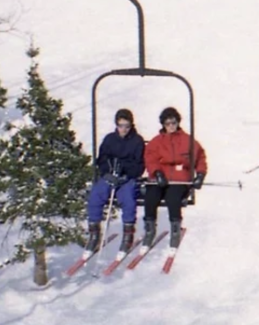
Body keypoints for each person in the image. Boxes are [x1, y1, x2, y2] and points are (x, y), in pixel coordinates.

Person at [142, 106, 208, 248]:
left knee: (173, 198)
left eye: (173, 123)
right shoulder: (157, 142)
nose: (171, 126)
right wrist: (157, 173)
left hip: (179, 178)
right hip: (161, 177)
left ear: (178, 123)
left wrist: (200, 174)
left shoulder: (187, 140)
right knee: (150, 196)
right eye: (168, 124)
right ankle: (149, 228)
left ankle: (175, 229)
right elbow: (150, 158)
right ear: (163, 125)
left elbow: (200, 157)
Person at [84, 108, 145, 256]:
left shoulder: (137, 141)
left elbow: (139, 164)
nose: (123, 129)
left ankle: (128, 235)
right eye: (120, 125)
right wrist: (107, 172)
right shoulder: (110, 139)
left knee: (128, 198)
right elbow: (102, 159)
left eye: (127, 126)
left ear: (131, 126)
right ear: (116, 125)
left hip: (126, 178)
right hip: (111, 175)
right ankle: (94, 234)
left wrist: (127, 174)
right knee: (96, 194)